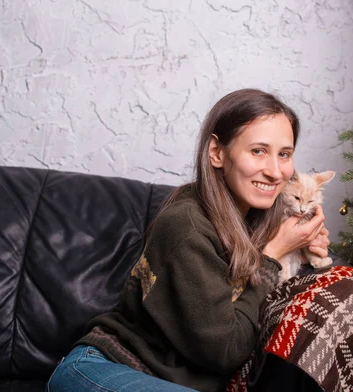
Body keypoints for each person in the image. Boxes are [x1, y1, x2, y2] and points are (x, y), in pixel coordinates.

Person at [46, 88, 331, 392]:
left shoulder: (262, 217)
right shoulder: (185, 225)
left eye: (284, 154)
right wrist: (273, 257)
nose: (276, 171)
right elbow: (225, 351)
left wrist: (300, 255)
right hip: (106, 367)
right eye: (258, 151)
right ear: (217, 153)